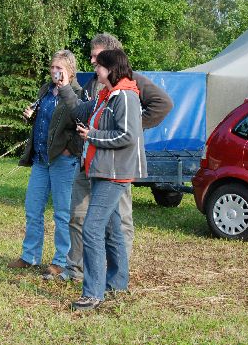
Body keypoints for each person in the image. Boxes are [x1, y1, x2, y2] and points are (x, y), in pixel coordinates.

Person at [55, 33, 173, 282]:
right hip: (91, 161)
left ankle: (116, 274)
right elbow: (79, 110)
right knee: (78, 215)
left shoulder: (131, 81)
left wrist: (130, 127)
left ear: (111, 58)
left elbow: (163, 103)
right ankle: (76, 269)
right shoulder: (96, 85)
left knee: (117, 223)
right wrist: (65, 88)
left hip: (116, 165)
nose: (91, 61)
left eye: (96, 57)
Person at [71, 49, 146, 311]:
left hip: (114, 174)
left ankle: (92, 293)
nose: (94, 66)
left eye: (99, 64)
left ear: (111, 68)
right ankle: (116, 283)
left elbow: (128, 135)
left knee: (91, 229)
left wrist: (92, 136)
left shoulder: (124, 96)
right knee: (112, 229)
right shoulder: (109, 95)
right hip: (104, 171)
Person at [7, 50, 81, 277]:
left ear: (70, 70)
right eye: (52, 68)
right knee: (33, 209)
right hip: (41, 159)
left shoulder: (77, 93)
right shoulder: (46, 90)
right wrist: (32, 112)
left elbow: (84, 123)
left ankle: (61, 261)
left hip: (62, 161)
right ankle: (29, 256)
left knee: (62, 213)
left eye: (59, 68)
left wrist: (71, 148)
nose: (55, 72)